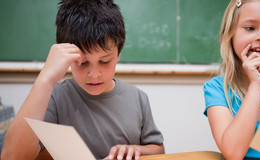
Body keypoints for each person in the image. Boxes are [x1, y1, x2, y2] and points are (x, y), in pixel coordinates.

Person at [1, 0, 164, 159]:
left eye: (105, 61)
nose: (94, 74)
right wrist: (46, 78)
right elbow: (12, 157)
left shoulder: (137, 97)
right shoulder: (55, 98)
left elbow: (159, 149)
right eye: (83, 62)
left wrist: (136, 149)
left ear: (119, 53)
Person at [203, 0, 260, 159]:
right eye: (250, 28)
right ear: (230, 33)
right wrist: (256, 86)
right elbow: (233, 153)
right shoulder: (216, 89)